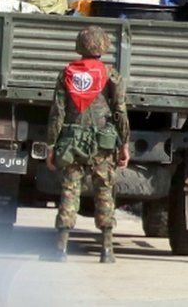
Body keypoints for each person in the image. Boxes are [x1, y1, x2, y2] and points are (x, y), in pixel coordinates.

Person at [42, 26, 131, 263]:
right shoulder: (111, 75)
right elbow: (120, 111)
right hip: (103, 144)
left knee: (70, 191)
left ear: (80, 45)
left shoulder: (67, 73)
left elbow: (57, 113)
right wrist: (124, 144)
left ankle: (61, 249)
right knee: (104, 191)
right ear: (103, 47)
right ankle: (107, 250)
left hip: (71, 143)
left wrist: (51, 145)